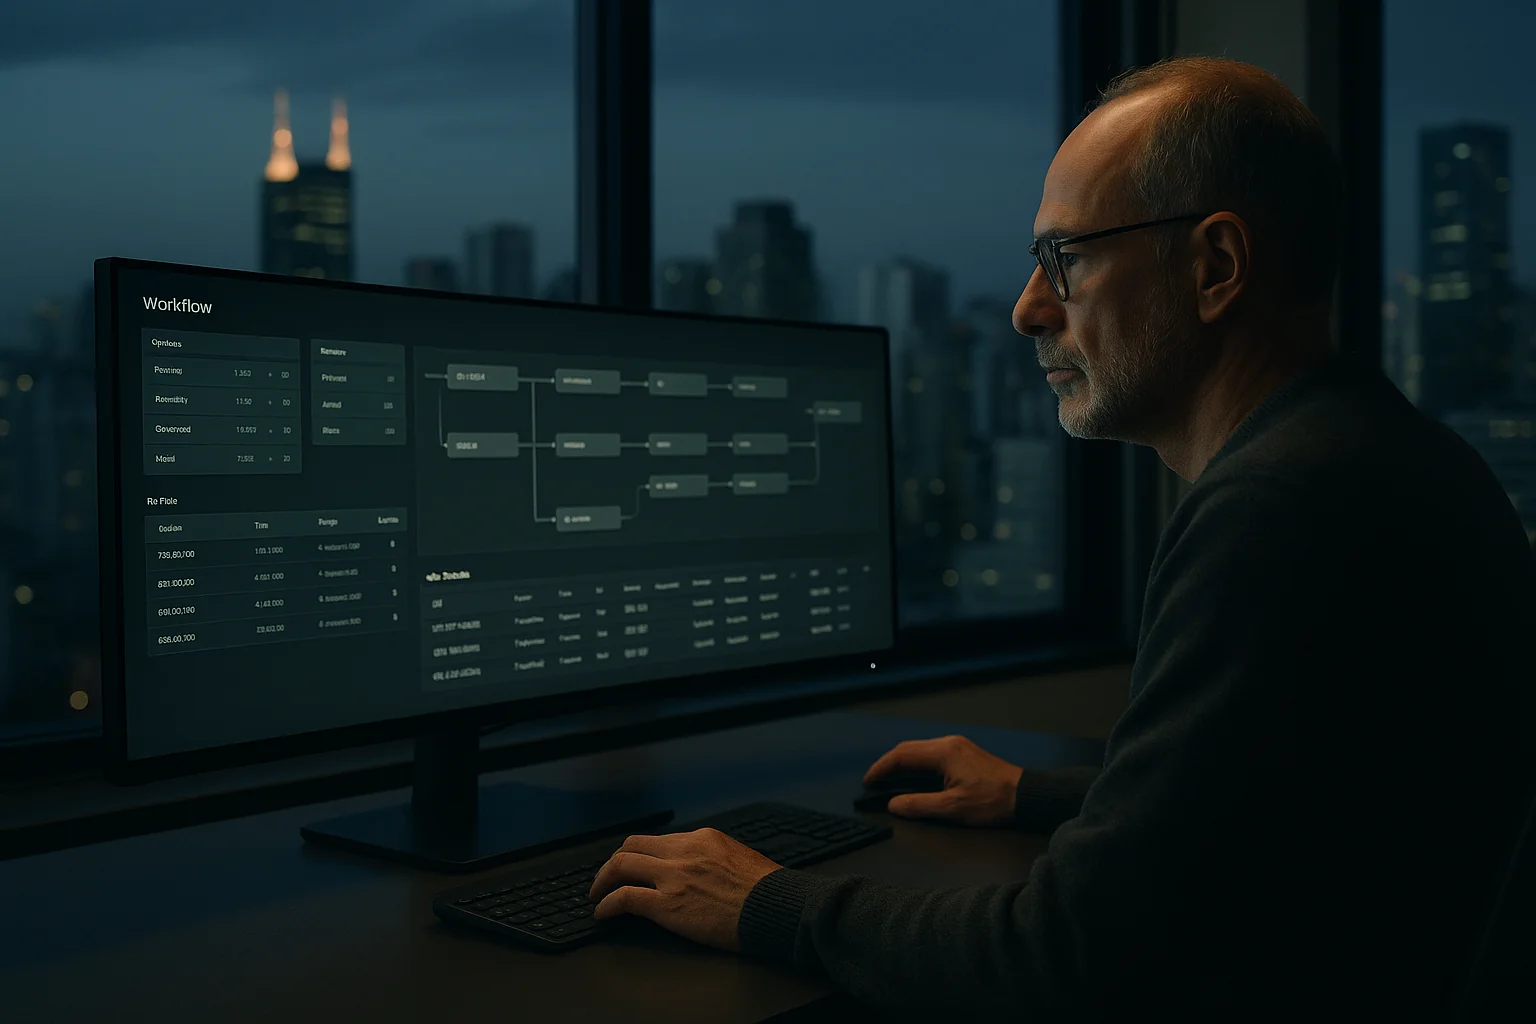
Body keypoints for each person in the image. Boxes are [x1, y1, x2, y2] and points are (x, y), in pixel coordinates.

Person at [587, 56, 1536, 1019]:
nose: (1027, 309)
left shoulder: (1280, 508)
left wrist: (765, 902)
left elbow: (1062, 959)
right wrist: (1036, 795)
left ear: (1215, 268)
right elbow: (1299, 806)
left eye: (1065, 261)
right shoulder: (1384, 453)